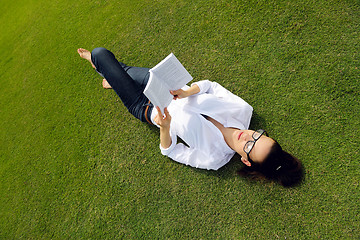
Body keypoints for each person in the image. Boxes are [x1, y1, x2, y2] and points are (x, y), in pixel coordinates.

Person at [77, 47, 303, 187]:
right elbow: (211, 87)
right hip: (162, 86)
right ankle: (113, 78)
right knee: (120, 69)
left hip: (147, 109)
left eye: (250, 147)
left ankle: (106, 72)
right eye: (258, 135)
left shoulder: (214, 158)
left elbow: (171, 151)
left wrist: (165, 127)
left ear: (246, 160)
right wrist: (187, 92)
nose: (248, 137)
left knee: (99, 54)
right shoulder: (243, 110)